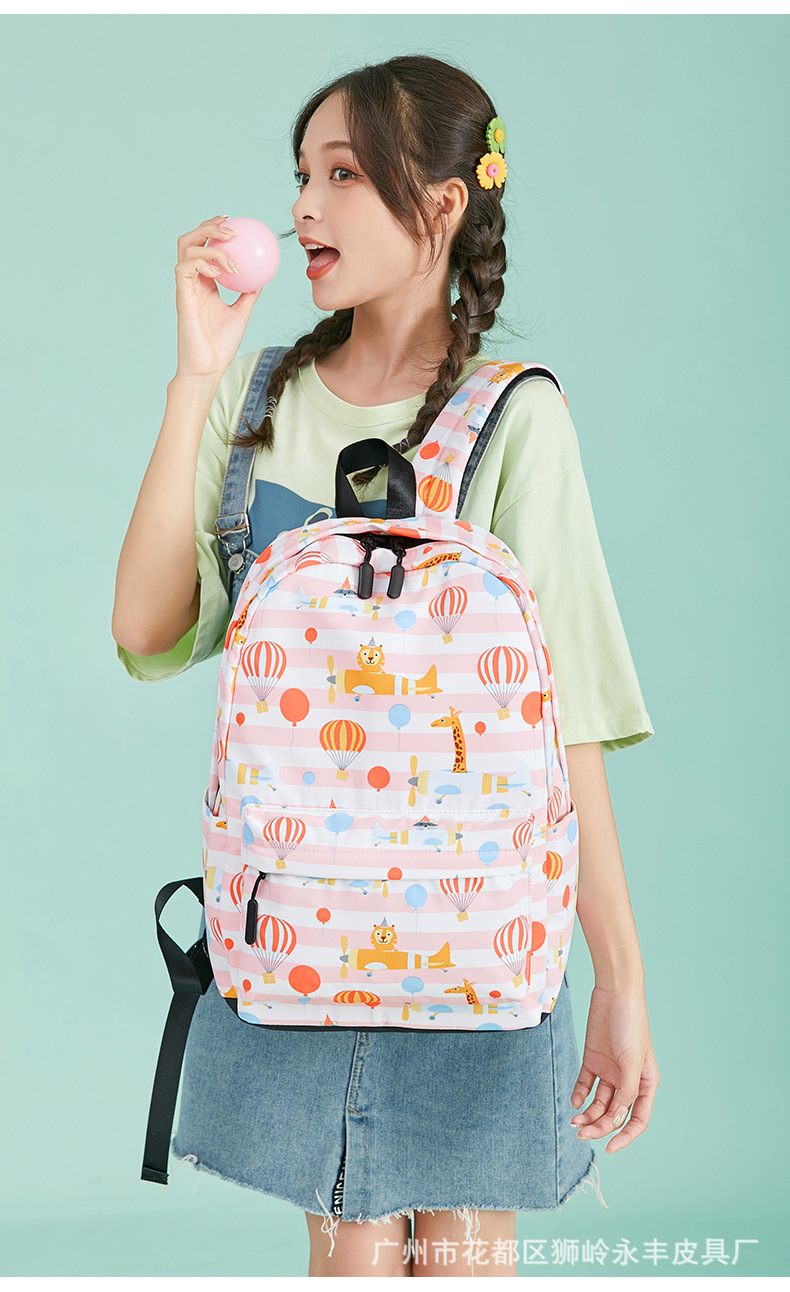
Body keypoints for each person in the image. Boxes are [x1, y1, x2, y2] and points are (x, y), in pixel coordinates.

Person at [113, 54, 660, 1280]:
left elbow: (565, 722)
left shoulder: (511, 414)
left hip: (476, 935)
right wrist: (196, 376)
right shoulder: (261, 400)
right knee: (352, 1256)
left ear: (444, 203)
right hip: (304, 927)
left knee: (461, 1255)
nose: (303, 205)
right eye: (300, 176)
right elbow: (147, 628)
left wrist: (619, 976)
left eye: (344, 175)